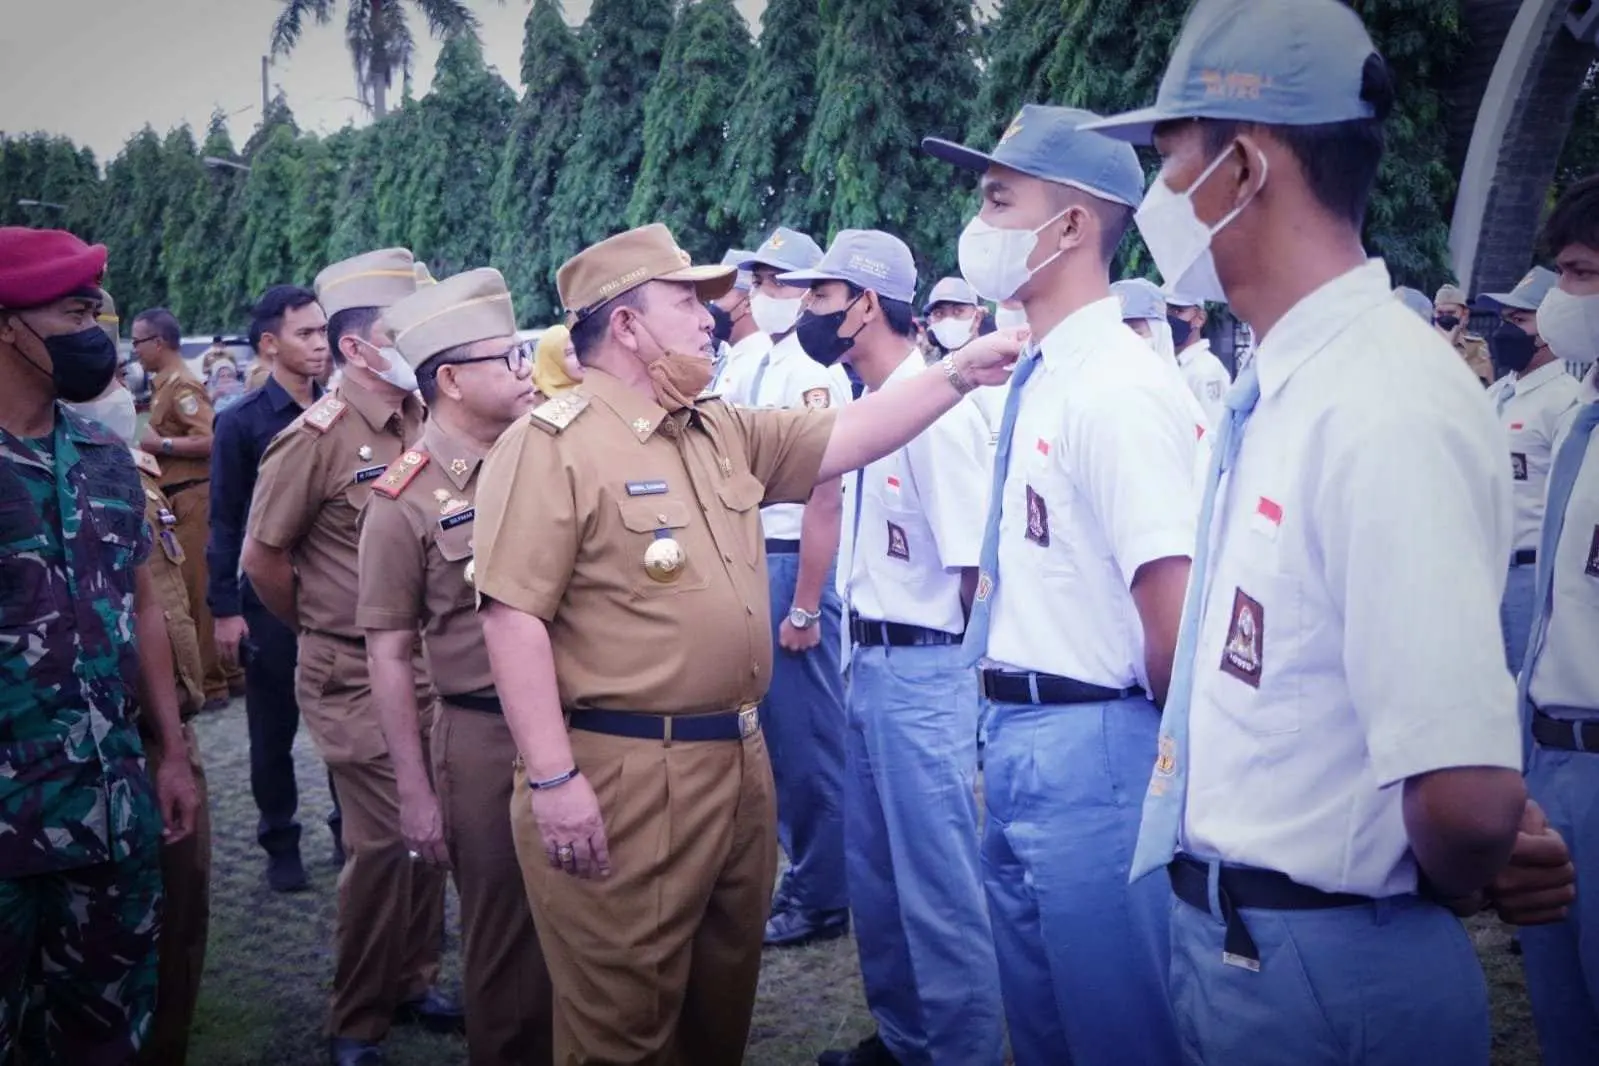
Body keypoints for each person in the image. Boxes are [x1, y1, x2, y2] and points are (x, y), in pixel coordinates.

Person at [1083, 1, 1547, 1061]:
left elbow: (1467, 798)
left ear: (1243, 167)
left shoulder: (1384, 401)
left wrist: (1462, 871)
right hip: (1254, 948)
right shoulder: (1292, 384)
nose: (1154, 199)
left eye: (1169, 160)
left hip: (1330, 967)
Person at [471, 222, 1018, 1066]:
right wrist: (552, 779)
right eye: (685, 302)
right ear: (627, 325)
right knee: (621, 1027)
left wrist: (956, 372)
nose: (710, 316)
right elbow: (511, 617)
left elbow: (850, 435)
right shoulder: (550, 447)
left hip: (734, 760)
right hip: (624, 771)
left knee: (714, 1011)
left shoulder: (712, 428)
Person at [923, 103, 1195, 1065]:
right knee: (1044, 1031)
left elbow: (1174, 617)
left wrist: (1147, 769)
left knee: (1117, 1031)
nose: (978, 225)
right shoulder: (1042, 375)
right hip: (1021, 732)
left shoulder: (1115, 388)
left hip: (1099, 742)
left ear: (1073, 224)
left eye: (999, 201)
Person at [784, 232, 1005, 1066]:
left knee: (937, 886)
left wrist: (967, 686)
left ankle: (958, 1051)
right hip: (871, 662)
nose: (806, 311)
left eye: (820, 296)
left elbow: (972, 573)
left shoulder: (935, 414)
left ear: (865, 304)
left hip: (923, 667)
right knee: (877, 878)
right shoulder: (879, 406)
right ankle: (907, 1039)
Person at [243, 249, 458, 1065]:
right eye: (405, 331)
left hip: (430, 663)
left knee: (431, 831)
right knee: (385, 840)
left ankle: (413, 979)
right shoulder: (314, 440)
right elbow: (263, 558)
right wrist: (329, 627)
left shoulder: (420, 418)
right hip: (353, 672)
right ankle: (356, 1017)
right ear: (358, 348)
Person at [0, 226, 199, 1063]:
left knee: (107, 1034)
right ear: (9, 327)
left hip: (111, 808)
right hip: (10, 816)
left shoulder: (105, 455)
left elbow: (142, 605)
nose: (96, 337)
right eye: (75, 315)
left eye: (97, 315)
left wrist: (173, 754)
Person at [359, 268, 554, 1066]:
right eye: (507, 358)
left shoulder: (550, 454)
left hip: (581, 720)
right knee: (505, 944)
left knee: (591, 927)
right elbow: (387, 652)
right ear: (450, 380)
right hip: (484, 737)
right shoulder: (402, 498)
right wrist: (415, 794)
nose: (525, 371)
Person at [725, 227, 852, 948]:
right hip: (759, 556)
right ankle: (806, 878)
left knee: (807, 742)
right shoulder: (766, 358)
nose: (762, 292)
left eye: (778, 281)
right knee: (775, 738)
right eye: (760, 280)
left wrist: (804, 602)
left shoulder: (811, 369)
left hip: (792, 560)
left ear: (807, 294)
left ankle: (823, 893)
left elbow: (823, 493)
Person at [208, 285, 337, 891]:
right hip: (267, 599)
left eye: (323, 331)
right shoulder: (241, 421)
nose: (320, 344)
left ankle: (350, 830)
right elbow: (224, 519)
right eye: (305, 333)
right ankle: (280, 840)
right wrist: (225, 609)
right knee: (272, 729)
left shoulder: (340, 412)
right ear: (269, 344)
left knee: (347, 722)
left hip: (336, 595)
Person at [1517, 173, 1599, 1066]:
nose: (1560, 298)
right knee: (1560, 1012)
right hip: (1551, 759)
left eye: (1580, 274)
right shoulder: (1582, 416)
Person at [127, 443, 212, 1066]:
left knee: (177, 924)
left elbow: (154, 606)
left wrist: (176, 745)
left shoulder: (115, 466)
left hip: (162, 736)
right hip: (50, 753)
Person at [133, 307, 239, 710]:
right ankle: (228, 673)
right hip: (178, 496)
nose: (136, 351)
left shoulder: (182, 386)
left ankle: (213, 683)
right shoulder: (164, 385)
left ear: (158, 342)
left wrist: (161, 445)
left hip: (194, 496)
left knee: (197, 592)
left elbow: (210, 438)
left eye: (139, 342)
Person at [1482, 266, 1580, 671]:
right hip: (1481, 570)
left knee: (1519, 682)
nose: (1506, 330)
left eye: (1519, 320)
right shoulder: (1495, 394)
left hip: (1528, 576)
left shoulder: (1567, 403)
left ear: (1551, 327)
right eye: (1505, 319)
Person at [1165, 290, 1233, 429]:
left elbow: (1214, 428)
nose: (1170, 319)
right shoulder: (1174, 363)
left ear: (1200, 318)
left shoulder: (1205, 370)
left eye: (1178, 311)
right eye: (1167, 312)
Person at [1436, 283, 1495, 385]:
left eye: (1451, 313)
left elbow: (1485, 386)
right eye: (1440, 313)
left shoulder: (1476, 346)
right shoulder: (1424, 341)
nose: (1445, 317)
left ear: (1464, 314)